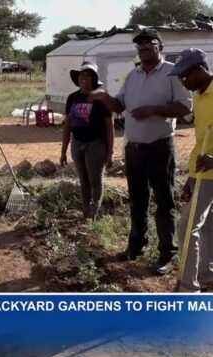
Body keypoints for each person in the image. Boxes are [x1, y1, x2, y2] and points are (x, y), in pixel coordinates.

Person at [90, 28, 192, 274]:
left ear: (160, 47)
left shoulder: (172, 72)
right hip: (134, 148)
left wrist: (153, 110)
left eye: (149, 44)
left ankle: (167, 255)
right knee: (137, 201)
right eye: (140, 45)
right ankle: (136, 246)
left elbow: (185, 108)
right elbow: (120, 104)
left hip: (160, 146)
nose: (144, 48)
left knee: (165, 202)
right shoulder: (133, 74)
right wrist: (104, 97)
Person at [169, 48, 213, 292]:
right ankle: (207, 275)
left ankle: (187, 287)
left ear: (199, 70)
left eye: (185, 75)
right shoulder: (198, 95)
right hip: (201, 171)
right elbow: (200, 139)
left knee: (187, 226)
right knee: (207, 225)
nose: (182, 81)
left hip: (211, 172)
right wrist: (191, 177)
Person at [60, 61, 114, 219]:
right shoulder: (72, 98)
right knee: (83, 181)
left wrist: (110, 152)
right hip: (77, 143)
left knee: (95, 180)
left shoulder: (101, 98)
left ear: (94, 78)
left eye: (88, 75)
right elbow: (67, 126)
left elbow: (110, 128)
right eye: (82, 74)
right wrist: (63, 151)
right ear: (77, 78)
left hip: (96, 144)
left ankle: (94, 213)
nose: (84, 77)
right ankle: (86, 213)